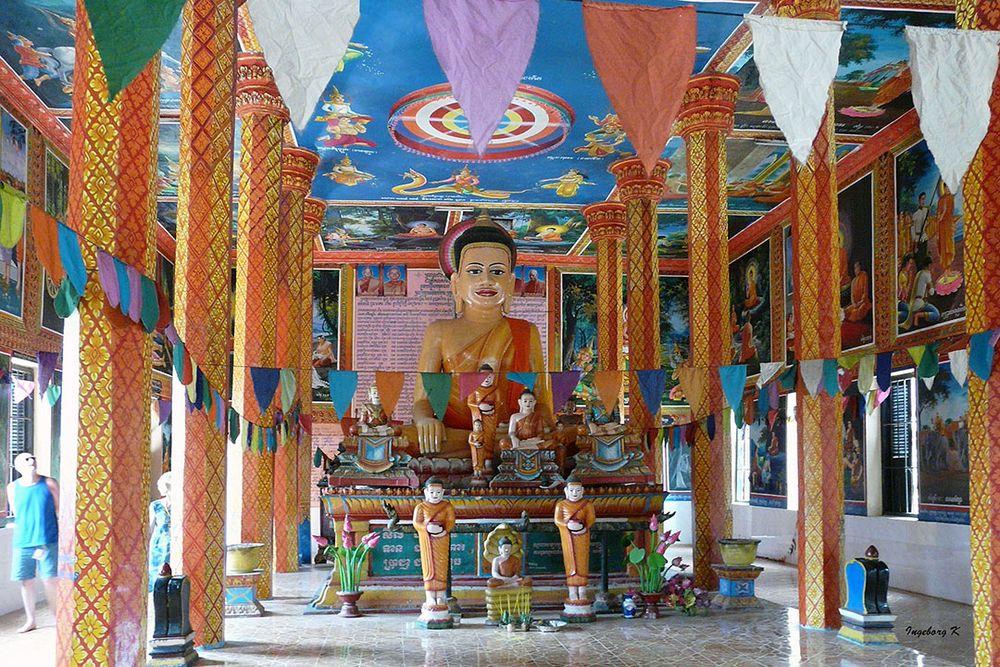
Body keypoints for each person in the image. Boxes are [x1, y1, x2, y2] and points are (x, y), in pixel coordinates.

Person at [407, 214, 548, 457]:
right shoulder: (439, 331)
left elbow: (543, 403)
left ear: (510, 283)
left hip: (512, 432)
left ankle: (490, 444)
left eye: (497, 271)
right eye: (474, 271)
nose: (486, 279)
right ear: (456, 283)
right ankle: (485, 444)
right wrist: (424, 421)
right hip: (455, 433)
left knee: (553, 438)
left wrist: (532, 426)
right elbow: (422, 401)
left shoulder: (526, 331)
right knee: (406, 439)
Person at [6, 452, 59, 633]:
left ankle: (58, 617)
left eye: (32, 458)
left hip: (47, 540)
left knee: (49, 579)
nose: (31, 461)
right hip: (23, 541)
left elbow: (59, 509)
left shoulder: (49, 483)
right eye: (26, 459)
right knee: (26, 581)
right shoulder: (12, 487)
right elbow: (16, 511)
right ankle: (31, 620)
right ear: (18, 466)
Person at [412, 477, 455, 608]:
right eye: (432, 492)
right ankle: (430, 597)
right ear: (426, 492)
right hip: (427, 541)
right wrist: (426, 527)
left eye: (438, 492)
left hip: (442, 540)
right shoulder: (421, 507)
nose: (435, 495)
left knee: (441, 567)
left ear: (443, 492)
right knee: (429, 568)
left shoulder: (447, 506)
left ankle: (441, 596)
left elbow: (450, 522)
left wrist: (444, 531)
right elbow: (416, 523)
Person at [553, 475, 595, 602]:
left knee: (582, 562)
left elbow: (591, 519)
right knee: (570, 562)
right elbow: (557, 520)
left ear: (582, 491)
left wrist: (584, 528)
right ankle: (572, 592)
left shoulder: (587, 504)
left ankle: (582, 591)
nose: (574, 493)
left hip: (582, 536)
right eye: (571, 490)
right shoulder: (561, 505)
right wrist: (567, 525)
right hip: (567, 536)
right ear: (566, 491)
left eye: (577, 490)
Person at [148, 472, 172, 591]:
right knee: (157, 572)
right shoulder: (155, 506)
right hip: (159, 544)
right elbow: (150, 528)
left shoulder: (180, 504)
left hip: (174, 543)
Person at [910, 192, 930, 263]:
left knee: (924, 259)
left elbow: (926, 221)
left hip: (924, 239)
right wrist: (915, 244)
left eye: (924, 199)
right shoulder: (915, 215)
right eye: (922, 199)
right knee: (918, 261)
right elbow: (912, 229)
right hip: (917, 240)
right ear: (919, 200)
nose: (923, 201)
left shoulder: (925, 211)